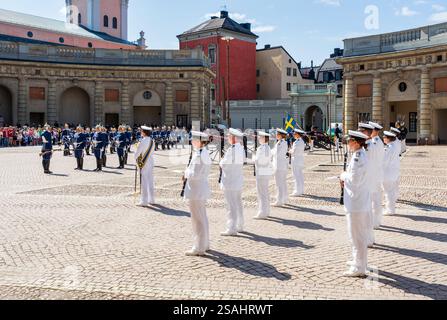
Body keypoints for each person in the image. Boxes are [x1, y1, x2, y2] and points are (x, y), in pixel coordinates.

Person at [340, 130, 371, 278]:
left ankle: (359, 267)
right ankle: (359, 262)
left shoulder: (359, 157)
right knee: (357, 234)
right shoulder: (358, 155)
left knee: (357, 236)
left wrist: (342, 175)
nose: (347, 144)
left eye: (349, 141)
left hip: (356, 202)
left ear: (356, 142)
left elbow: (354, 180)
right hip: (358, 201)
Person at [183, 131, 212, 256]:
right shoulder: (202, 153)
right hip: (199, 189)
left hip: (196, 190)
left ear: (200, 141)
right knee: (202, 217)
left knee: (197, 219)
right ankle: (204, 243)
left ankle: (199, 247)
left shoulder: (200, 155)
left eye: (194, 139)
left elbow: (194, 174)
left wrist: (185, 173)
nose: (192, 141)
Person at [220, 128, 245, 236]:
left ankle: (231, 227)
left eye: (229, 136)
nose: (227, 138)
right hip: (237, 180)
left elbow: (225, 164)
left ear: (234, 138)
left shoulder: (233, 149)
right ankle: (240, 224)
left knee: (231, 205)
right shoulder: (240, 148)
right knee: (238, 203)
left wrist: (221, 161)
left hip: (230, 180)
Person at [357, 123, 377, 248]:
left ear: (365, 133)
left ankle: (367, 238)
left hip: (365, 182)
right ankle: (369, 237)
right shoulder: (368, 145)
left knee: (365, 211)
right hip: (367, 180)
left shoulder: (368, 147)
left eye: (360, 131)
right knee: (367, 210)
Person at [369, 121, 385, 229]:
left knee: (373, 199)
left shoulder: (374, 142)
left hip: (373, 174)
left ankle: (374, 221)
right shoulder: (378, 141)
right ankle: (377, 220)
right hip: (377, 173)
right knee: (376, 198)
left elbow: (371, 159)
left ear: (375, 131)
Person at [254, 131, 273, 220]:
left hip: (262, 172)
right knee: (264, 192)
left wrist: (254, 159)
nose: (258, 138)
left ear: (264, 139)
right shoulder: (264, 147)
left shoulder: (264, 148)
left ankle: (262, 212)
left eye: (260, 137)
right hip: (263, 171)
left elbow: (260, 160)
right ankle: (266, 210)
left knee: (262, 192)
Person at [135, 126, 156, 207]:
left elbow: (137, 153)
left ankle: (144, 201)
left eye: (141, 131)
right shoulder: (152, 141)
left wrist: (136, 159)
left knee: (144, 181)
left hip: (144, 162)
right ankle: (152, 199)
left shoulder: (143, 141)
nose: (141, 132)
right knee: (150, 180)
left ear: (144, 132)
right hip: (150, 161)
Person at [383, 130, 401, 216]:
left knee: (388, 192)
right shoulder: (395, 145)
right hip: (394, 171)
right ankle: (391, 208)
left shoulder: (388, 148)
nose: (383, 138)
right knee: (392, 191)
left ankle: (390, 210)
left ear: (388, 139)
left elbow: (384, 162)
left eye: (384, 137)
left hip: (388, 172)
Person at [272, 129, 289, 207]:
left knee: (279, 183)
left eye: (277, 134)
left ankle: (279, 200)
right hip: (281, 165)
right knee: (282, 183)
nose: (276, 135)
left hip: (279, 165)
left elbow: (277, 154)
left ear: (281, 135)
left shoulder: (281, 143)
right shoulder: (280, 143)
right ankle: (284, 198)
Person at [290, 129, 306, 197]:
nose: (293, 134)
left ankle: (297, 191)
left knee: (296, 176)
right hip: (299, 160)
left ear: (298, 134)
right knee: (300, 175)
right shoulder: (301, 141)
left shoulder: (297, 142)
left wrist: (289, 150)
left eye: (294, 133)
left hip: (296, 160)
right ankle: (301, 190)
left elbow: (294, 151)